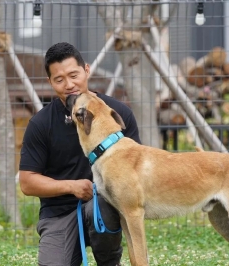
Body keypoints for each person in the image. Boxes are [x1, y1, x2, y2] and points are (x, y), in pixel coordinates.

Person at [19, 42, 141, 266]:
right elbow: (27, 183)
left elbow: (136, 170)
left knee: (103, 204)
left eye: (74, 75)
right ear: (50, 82)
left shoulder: (118, 113)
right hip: (58, 213)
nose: (69, 85)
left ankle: (109, 262)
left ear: (86, 70)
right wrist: (71, 186)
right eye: (59, 80)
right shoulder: (40, 124)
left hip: (104, 207)